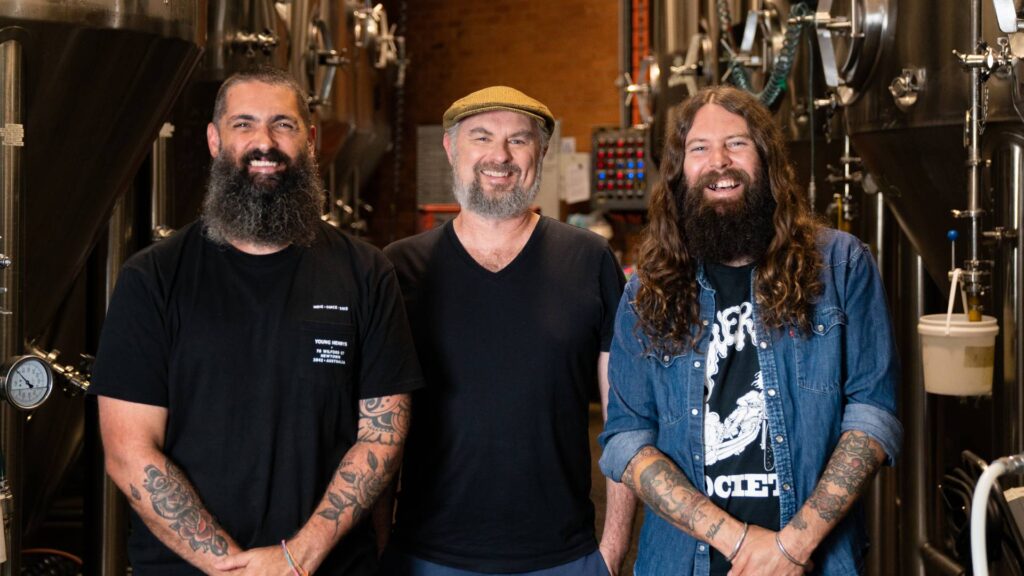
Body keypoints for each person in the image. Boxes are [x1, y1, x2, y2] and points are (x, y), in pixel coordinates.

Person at [90, 66, 424, 575]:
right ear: (213, 139)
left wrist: (299, 556)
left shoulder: (365, 272)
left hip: (327, 566)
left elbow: (381, 435)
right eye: (243, 124)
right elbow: (129, 450)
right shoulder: (153, 278)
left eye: (283, 125)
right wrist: (232, 567)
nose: (263, 143)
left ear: (310, 141)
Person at [598, 85, 902, 576]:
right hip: (682, 564)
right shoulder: (645, 292)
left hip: (815, 563)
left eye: (736, 143)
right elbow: (627, 440)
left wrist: (791, 548)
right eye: (699, 148)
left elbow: (872, 416)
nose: (719, 161)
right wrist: (741, 543)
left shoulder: (841, 265)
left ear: (766, 158)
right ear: (679, 172)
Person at [381, 86, 636, 575]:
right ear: (452, 149)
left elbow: (623, 417)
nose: (500, 155)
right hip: (423, 557)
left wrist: (611, 551)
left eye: (519, 140)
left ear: (540, 155)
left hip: (565, 558)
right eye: (481, 137)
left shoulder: (588, 260)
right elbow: (376, 423)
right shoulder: (399, 268)